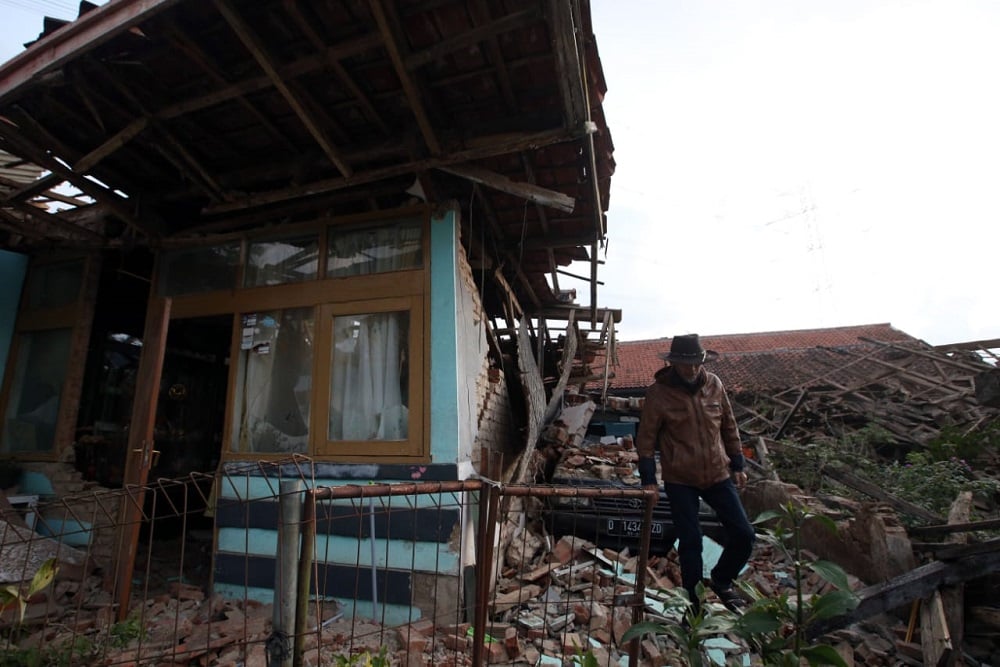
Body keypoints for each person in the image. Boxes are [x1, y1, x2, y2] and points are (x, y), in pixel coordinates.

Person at [635, 333, 755, 614]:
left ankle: (722, 580)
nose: (691, 369)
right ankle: (694, 604)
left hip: (717, 473)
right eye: (684, 364)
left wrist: (738, 464)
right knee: (691, 542)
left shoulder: (714, 385)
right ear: (674, 363)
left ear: (703, 361)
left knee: (744, 534)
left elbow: (729, 426)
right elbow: (646, 440)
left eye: (695, 363)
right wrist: (649, 480)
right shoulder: (658, 393)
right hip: (680, 479)